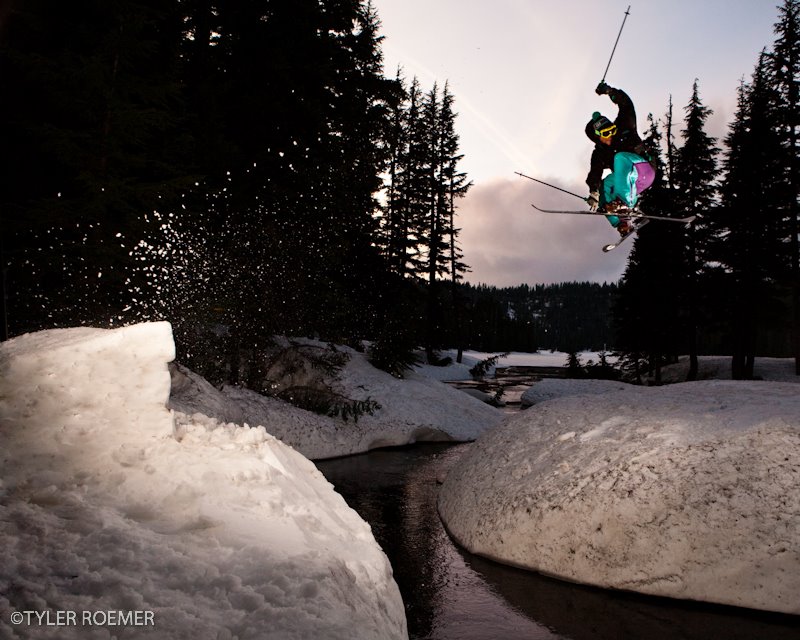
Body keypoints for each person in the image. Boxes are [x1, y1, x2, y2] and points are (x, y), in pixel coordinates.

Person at [585, 82, 656, 236]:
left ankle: (626, 204)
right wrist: (594, 193)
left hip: (644, 170)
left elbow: (626, 104)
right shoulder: (599, 153)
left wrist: (610, 91)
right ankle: (622, 223)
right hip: (632, 184)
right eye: (605, 134)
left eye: (611, 130)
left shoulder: (625, 125)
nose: (610, 135)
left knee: (620, 158)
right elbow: (595, 173)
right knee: (604, 189)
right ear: (597, 138)